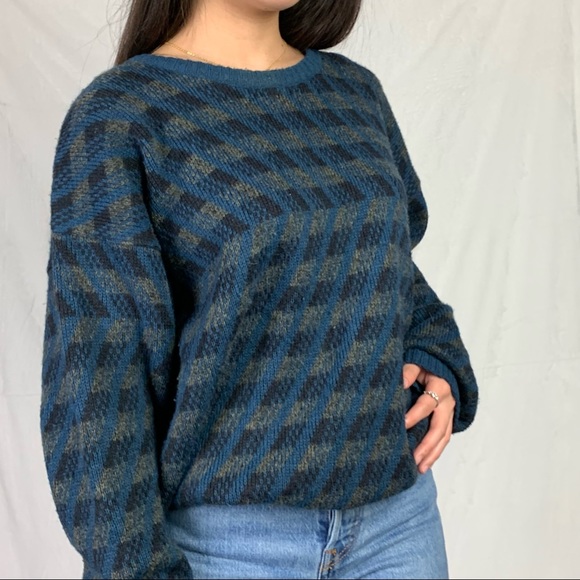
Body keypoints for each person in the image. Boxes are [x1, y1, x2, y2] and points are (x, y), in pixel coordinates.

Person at [40, 0, 479, 578]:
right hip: (225, 549)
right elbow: (96, 381)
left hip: (398, 526)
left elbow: (392, 265)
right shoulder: (121, 116)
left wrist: (436, 354)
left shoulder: (354, 94)